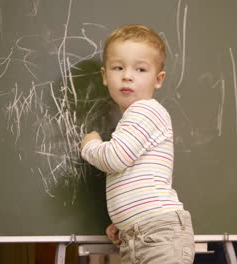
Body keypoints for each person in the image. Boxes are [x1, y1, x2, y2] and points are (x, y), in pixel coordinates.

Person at [81, 24, 195, 264]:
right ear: (105, 75)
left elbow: (115, 159)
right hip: (142, 236)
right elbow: (134, 175)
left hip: (159, 235)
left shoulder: (145, 110)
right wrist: (125, 222)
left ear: (158, 79)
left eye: (141, 69)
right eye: (118, 67)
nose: (127, 75)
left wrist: (90, 145)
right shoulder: (133, 119)